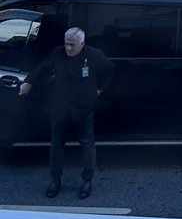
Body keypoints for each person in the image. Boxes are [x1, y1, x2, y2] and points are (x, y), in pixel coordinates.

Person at [20, 27, 114, 199]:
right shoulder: (58, 53)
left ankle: (87, 180)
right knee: (56, 144)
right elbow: (42, 67)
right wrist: (29, 83)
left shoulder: (94, 55)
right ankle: (55, 179)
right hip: (60, 106)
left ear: (82, 43)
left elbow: (109, 70)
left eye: (72, 45)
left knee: (87, 144)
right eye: (66, 44)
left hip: (83, 106)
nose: (69, 48)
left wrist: (100, 89)